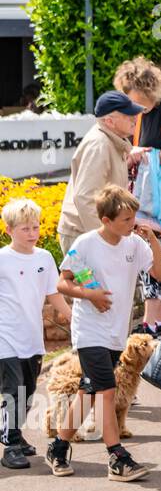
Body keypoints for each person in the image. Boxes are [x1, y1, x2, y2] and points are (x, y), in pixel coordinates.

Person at [50, 185, 161, 482]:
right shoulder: (87, 244)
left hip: (117, 331)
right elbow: (63, 283)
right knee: (106, 390)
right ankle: (117, 457)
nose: (132, 224)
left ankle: (58, 446)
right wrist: (89, 296)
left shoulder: (135, 244)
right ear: (106, 220)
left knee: (89, 392)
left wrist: (153, 241)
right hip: (89, 331)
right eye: (126, 219)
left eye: (133, 218)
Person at [113, 58, 161, 334]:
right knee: (146, 253)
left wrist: (144, 154)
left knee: (154, 253)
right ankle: (152, 320)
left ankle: (154, 322)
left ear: (144, 89)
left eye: (131, 94)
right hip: (146, 196)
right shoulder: (140, 115)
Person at [1, 199, 70, 470]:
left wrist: (70, 317)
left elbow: (52, 293)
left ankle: (11, 431)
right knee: (13, 391)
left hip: (31, 338)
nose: (32, 233)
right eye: (25, 229)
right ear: (9, 230)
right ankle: (11, 445)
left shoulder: (44, 257)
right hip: (5, 337)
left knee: (29, 390)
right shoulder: (2, 259)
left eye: (35, 227)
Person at [57, 92, 145, 255]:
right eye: (128, 115)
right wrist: (104, 239)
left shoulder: (111, 141)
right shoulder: (100, 145)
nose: (135, 118)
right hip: (83, 234)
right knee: (92, 282)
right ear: (109, 121)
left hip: (91, 233)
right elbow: (85, 197)